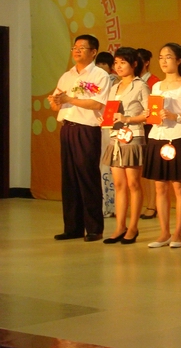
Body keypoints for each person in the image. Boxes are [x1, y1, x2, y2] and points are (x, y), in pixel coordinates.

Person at [49, 35, 111, 242]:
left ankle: (94, 228)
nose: (76, 51)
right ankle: (73, 228)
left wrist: (69, 99)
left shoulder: (99, 75)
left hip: (86, 129)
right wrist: (55, 101)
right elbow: (57, 104)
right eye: (74, 47)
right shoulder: (67, 76)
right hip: (67, 128)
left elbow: (97, 104)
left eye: (82, 48)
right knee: (69, 179)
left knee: (87, 177)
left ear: (93, 52)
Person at [143, 43, 181, 249]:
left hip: (178, 137)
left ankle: (179, 232)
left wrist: (176, 116)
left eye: (169, 57)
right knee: (160, 186)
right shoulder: (156, 86)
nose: (164, 61)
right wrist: (150, 115)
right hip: (157, 136)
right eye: (161, 57)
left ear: (179, 60)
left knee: (179, 186)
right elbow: (153, 112)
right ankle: (164, 232)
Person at [101, 47, 150, 244]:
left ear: (134, 64)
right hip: (115, 137)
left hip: (133, 136)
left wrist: (128, 119)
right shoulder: (114, 87)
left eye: (123, 62)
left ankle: (133, 227)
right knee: (119, 184)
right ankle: (119, 226)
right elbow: (110, 112)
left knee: (133, 183)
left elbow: (149, 114)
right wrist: (105, 120)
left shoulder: (141, 86)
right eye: (116, 63)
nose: (118, 66)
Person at [95, 50, 117, 218]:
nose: (101, 67)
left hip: (110, 127)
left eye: (105, 64)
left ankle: (112, 205)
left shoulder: (115, 82)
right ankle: (103, 205)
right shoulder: (94, 81)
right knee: (101, 165)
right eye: (99, 63)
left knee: (110, 165)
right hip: (97, 126)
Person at [138, 48, 159, 220]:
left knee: (150, 167)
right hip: (136, 127)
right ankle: (148, 203)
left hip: (150, 127)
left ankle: (153, 204)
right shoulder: (132, 82)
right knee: (142, 167)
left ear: (146, 63)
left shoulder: (154, 82)